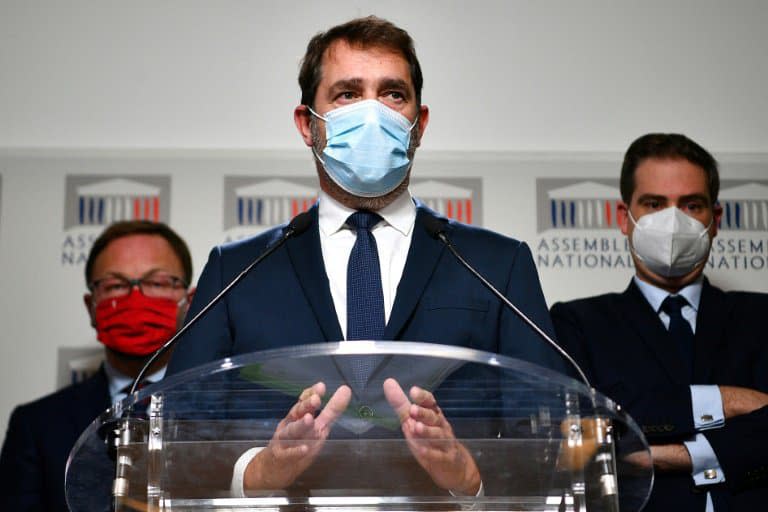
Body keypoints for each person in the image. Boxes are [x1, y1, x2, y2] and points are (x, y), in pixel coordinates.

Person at [166, 16, 567, 497]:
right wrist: (261, 472)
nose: (373, 113)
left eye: (394, 94)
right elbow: (179, 442)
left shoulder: (496, 265)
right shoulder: (237, 272)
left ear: (419, 124)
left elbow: (548, 439)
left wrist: (469, 475)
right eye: (347, 95)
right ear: (306, 124)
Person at [550, 133, 768, 511]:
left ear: (714, 220)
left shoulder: (761, 318)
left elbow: (622, 419)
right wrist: (726, 401)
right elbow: (580, 431)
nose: (673, 221)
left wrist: (672, 454)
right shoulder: (577, 323)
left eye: (691, 205)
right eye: (654, 204)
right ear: (625, 218)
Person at [0, 221, 194, 511]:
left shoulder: (233, 412)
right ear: (91, 306)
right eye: (115, 285)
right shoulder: (36, 426)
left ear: (188, 302)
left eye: (157, 282)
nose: (135, 298)